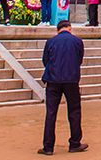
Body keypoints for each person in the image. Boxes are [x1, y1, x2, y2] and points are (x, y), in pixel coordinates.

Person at [40, 20, 86, 155]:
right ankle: (75, 143)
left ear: (58, 29)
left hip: (53, 79)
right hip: (71, 79)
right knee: (74, 111)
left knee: (51, 113)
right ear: (69, 28)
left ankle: (48, 147)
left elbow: (45, 60)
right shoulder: (77, 41)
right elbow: (79, 59)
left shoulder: (51, 41)